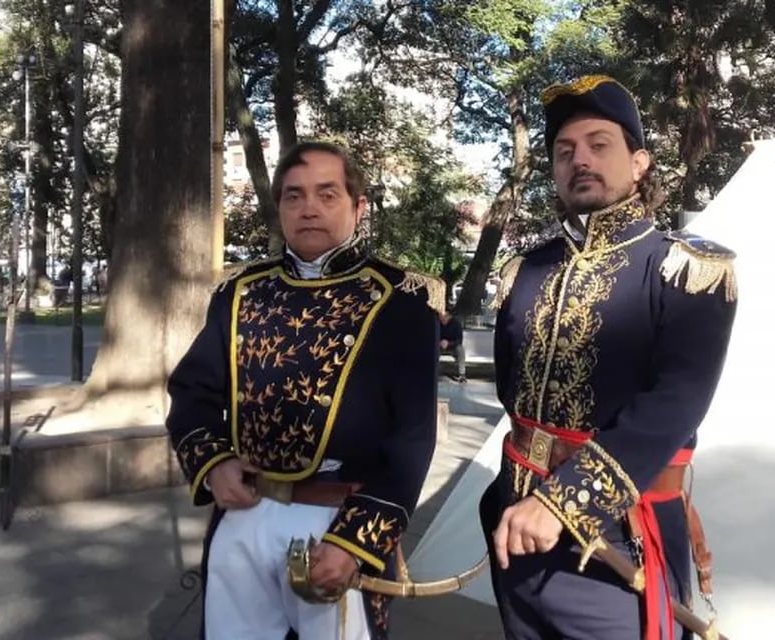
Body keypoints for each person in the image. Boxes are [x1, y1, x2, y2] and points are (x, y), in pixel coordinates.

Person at [479, 74, 738, 640]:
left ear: (639, 162)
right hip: (513, 523)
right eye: (565, 151)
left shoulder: (685, 269)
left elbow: (676, 406)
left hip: (617, 538)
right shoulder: (526, 270)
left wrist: (565, 501)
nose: (581, 160)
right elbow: (510, 388)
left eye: (600, 145)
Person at [166, 140, 443, 640]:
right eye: (293, 197)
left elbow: (413, 440)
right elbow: (193, 392)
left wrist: (355, 541)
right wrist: (214, 464)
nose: (308, 208)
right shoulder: (240, 292)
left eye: (327, 194)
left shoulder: (402, 302)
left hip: (337, 522)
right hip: (243, 516)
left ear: (358, 208)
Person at [439, 310, 467, 383]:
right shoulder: (437, 323)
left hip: (452, 347)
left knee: (460, 349)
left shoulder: (456, 324)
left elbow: (459, 340)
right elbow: (432, 337)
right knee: (432, 350)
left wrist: (449, 343)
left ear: (449, 316)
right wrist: (440, 343)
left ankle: (462, 375)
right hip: (439, 346)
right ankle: (431, 372)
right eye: (440, 317)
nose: (442, 319)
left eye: (444, 317)